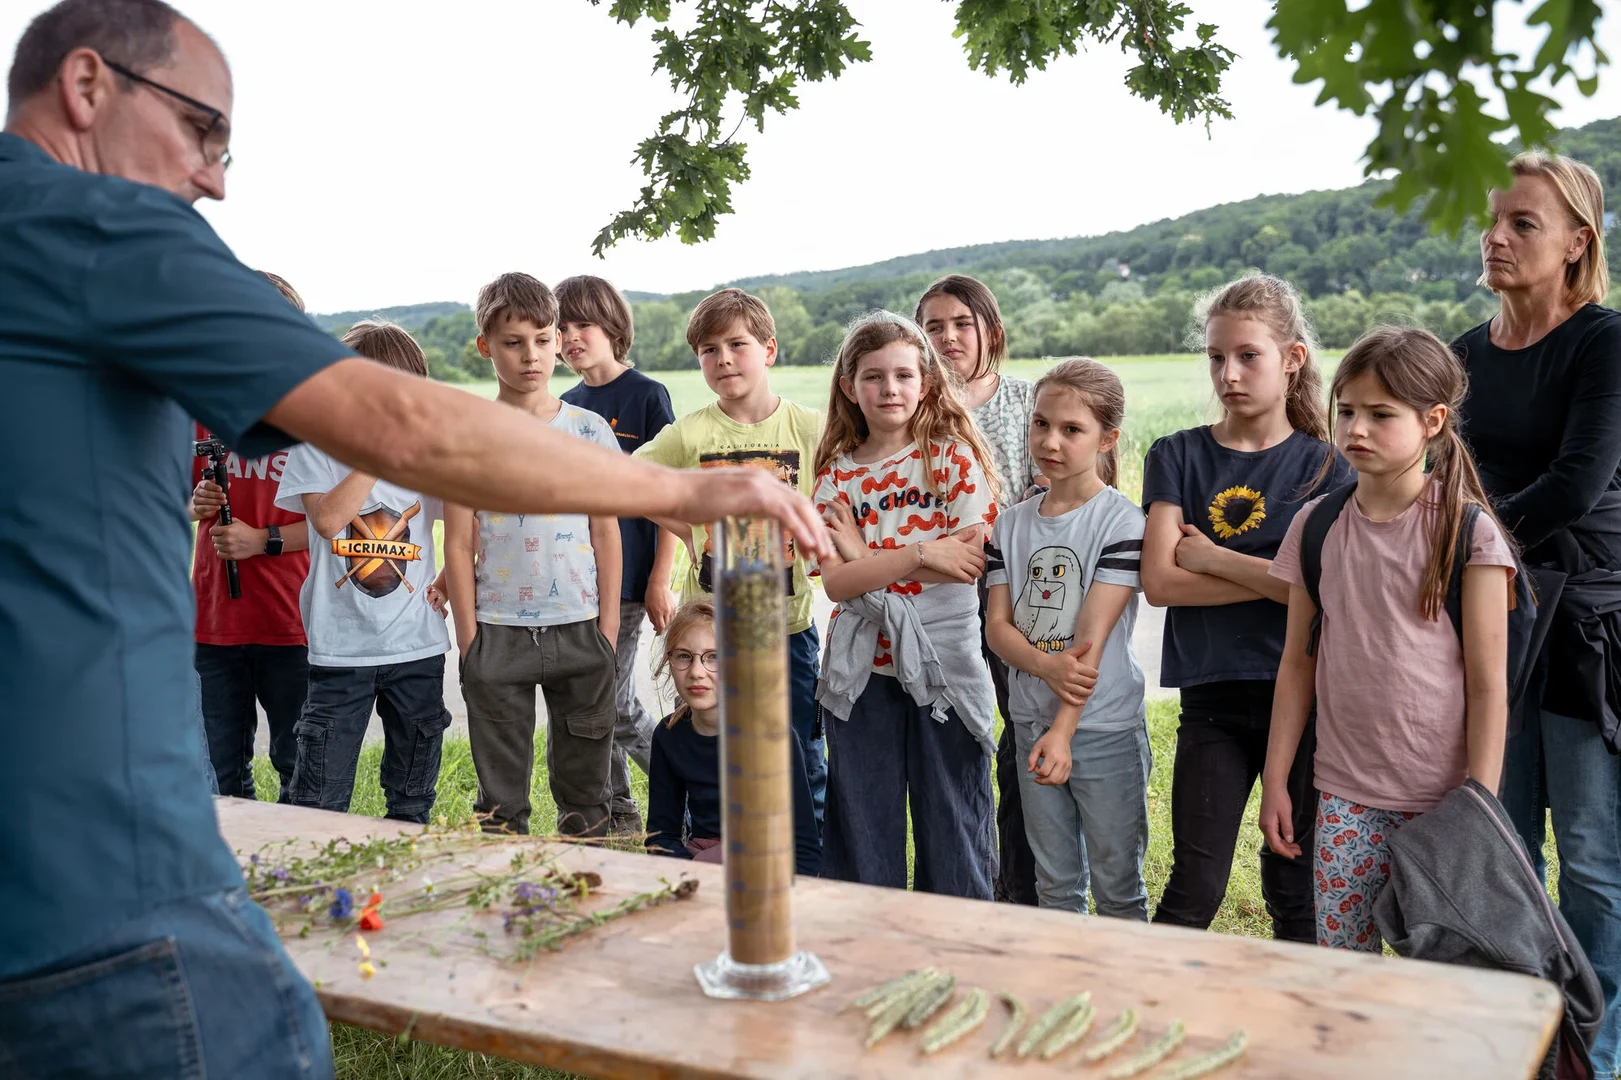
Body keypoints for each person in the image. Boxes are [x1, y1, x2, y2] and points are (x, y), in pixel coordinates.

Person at [0, 4, 828, 1071]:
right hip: (87, 850)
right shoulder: (90, 225)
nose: (214, 179)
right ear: (86, 87)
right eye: (203, 130)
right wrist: (678, 490)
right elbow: (403, 424)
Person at [1261, 327, 1515, 951]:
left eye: (1380, 414)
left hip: (1447, 804)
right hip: (1344, 795)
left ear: (1432, 421)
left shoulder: (1468, 533)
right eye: (1347, 411)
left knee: (1444, 978)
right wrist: (1276, 778)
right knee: (1345, 966)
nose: (1357, 429)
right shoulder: (1316, 525)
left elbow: (1489, 686)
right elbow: (1296, 664)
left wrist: (1480, 804)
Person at [1452, 151, 1621, 1071]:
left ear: (1575, 243)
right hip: (1490, 622)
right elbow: (1437, 480)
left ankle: (1598, 1052)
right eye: (1493, 219)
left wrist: (1461, 545)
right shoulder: (1463, 355)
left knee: (1590, 856)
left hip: (1583, 622)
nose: (1497, 236)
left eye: (1523, 222)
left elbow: (1575, 484)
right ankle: (1521, 1040)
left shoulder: (1603, 342)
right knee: (1506, 844)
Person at [1140, 274, 1352, 943]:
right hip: (1212, 699)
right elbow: (1160, 583)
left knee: (1295, 884)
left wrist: (1213, 558)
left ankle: (1302, 1008)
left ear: (1291, 359)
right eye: (1216, 357)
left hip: (1308, 699)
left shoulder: (1330, 468)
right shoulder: (1177, 454)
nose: (1227, 374)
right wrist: (1282, 580)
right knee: (1194, 886)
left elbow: (1333, 594)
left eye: (1247, 356)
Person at [812, 310, 1001, 898]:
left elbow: (966, 560)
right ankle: (869, 931)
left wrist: (862, 554)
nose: (889, 388)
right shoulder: (836, 476)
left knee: (953, 814)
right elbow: (836, 586)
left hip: (944, 664)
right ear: (850, 387)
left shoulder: (950, 459)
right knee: (863, 817)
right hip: (864, 670)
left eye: (903, 375)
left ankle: (958, 931)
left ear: (926, 382)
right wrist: (921, 551)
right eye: (873, 377)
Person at [635, 287, 828, 829]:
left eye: (736, 345)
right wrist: (689, 529)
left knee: (800, 750)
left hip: (786, 625)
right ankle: (713, 847)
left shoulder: (809, 428)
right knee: (715, 746)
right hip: (711, 631)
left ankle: (807, 854)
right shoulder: (690, 432)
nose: (723, 359)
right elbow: (637, 481)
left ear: (769, 349)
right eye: (709, 350)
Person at [445, 273, 622, 838]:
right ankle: (507, 885)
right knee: (499, 805)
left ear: (558, 340)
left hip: (581, 628)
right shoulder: (466, 435)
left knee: (587, 795)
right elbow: (458, 540)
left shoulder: (588, 430)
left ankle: (584, 880)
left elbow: (606, 532)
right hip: (497, 633)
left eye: (543, 340)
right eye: (513, 342)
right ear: (485, 346)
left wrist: (608, 628)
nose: (531, 356)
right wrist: (469, 639)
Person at [985, 358, 1149, 918]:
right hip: (1031, 723)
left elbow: (1089, 642)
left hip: (1100, 728)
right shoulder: (1009, 524)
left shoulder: (1121, 522)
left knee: (1117, 887)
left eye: (1071, 429)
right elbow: (997, 629)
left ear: (1107, 438)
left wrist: (1062, 732)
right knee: (1054, 886)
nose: (1050, 441)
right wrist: (1046, 671)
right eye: (1041, 424)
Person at [275, 321, 453, 824]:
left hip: (416, 645)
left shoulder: (428, 453)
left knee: (412, 798)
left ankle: (403, 867)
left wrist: (448, 581)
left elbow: (473, 523)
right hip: (340, 650)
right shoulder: (314, 446)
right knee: (319, 800)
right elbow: (328, 521)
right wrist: (377, 454)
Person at [917, 273, 1043, 907]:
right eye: (933, 328)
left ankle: (1021, 885)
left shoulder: (1027, 401)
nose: (948, 338)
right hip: (942, 599)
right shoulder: (915, 407)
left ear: (990, 330)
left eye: (961, 324)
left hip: (1019, 596)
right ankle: (966, 877)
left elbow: (1050, 490)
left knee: (1022, 737)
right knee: (961, 738)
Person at [557, 273, 677, 835]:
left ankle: (691, 799)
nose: (570, 337)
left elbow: (666, 496)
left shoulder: (646, 396)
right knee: (590, 699)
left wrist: (659, 579)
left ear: (612, 326)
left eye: (583, 324)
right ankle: (621, 812)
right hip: (578, 580)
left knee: (616, 704)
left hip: (629, 581)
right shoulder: (565, 405)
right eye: (561, 328)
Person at [189, 270, 313, 802]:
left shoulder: (311, 418)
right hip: (215, 620)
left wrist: (264, 541)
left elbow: (339, 523)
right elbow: (168, 498)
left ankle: (295, 852)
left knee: (298, 765)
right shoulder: (201, 411)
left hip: (292, 618)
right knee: (220, 769)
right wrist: (194, 504)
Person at [644, 599, 822, 874]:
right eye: (684, 656)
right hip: (704, 861)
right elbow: (661, 837)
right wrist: (691, 877)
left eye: (714, 657)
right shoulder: (668, 735)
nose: (696, 672)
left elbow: (804, 848)